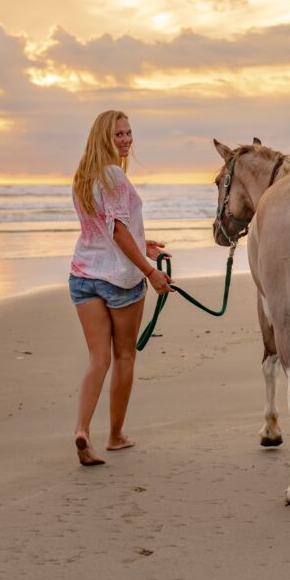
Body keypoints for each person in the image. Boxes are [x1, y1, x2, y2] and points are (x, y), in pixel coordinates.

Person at [68, 109, 173, 466]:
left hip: (83, 275)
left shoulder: (83, 175)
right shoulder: (113, 175)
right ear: (104, 138)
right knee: (124, 356)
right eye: (119, 135)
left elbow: (102, 229)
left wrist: (143, 244)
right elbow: (116, 229)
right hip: (119, 280)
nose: (126, 139)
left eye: (128, 133)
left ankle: (82, 429)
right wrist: (150, 271)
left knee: (97, 359)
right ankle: (115, 436)